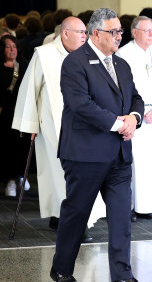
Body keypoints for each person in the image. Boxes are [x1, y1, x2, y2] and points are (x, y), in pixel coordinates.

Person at [50, 8, 152, 282]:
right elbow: (80, 105)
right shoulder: (75, 62)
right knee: (77, 213)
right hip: (85, 154)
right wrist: (119, 124)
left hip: (119, 154)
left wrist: (134, 117)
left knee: (121, 217)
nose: (120, 36)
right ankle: (62, 269)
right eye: (114, 31)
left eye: (120, 31)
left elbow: (136, 97)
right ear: (96, 33)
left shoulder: (121, 64)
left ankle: (122, 276)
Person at [12, 17, 106, 238]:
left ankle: (66, 217)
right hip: (53, 127)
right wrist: (30, 124)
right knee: (60, 175)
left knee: (81, 174)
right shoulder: (44, 55)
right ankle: (74, 222)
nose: (85, 36)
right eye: (80, 32)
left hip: (84, 126)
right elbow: (30, 90)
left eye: (85, 32)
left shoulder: (89, 54)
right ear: (65, 33)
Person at [116, 16, 152, 221]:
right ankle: (129, 206)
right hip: (133, 114)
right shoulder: (123, 53)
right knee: (132, 162)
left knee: (151, 163)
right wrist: (133, 112)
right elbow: (122, 87)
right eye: (146, 31)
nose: (151, 34)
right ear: (134, 32)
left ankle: (147, 206)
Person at [1, 35, 29, 197]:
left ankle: (21, 175)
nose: (12, 49)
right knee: (7, 147)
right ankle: (10, 180)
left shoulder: (24, 66)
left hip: (22, 113)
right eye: (8, 46)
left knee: (22, 147)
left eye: (14, 46)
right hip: (4, 115)